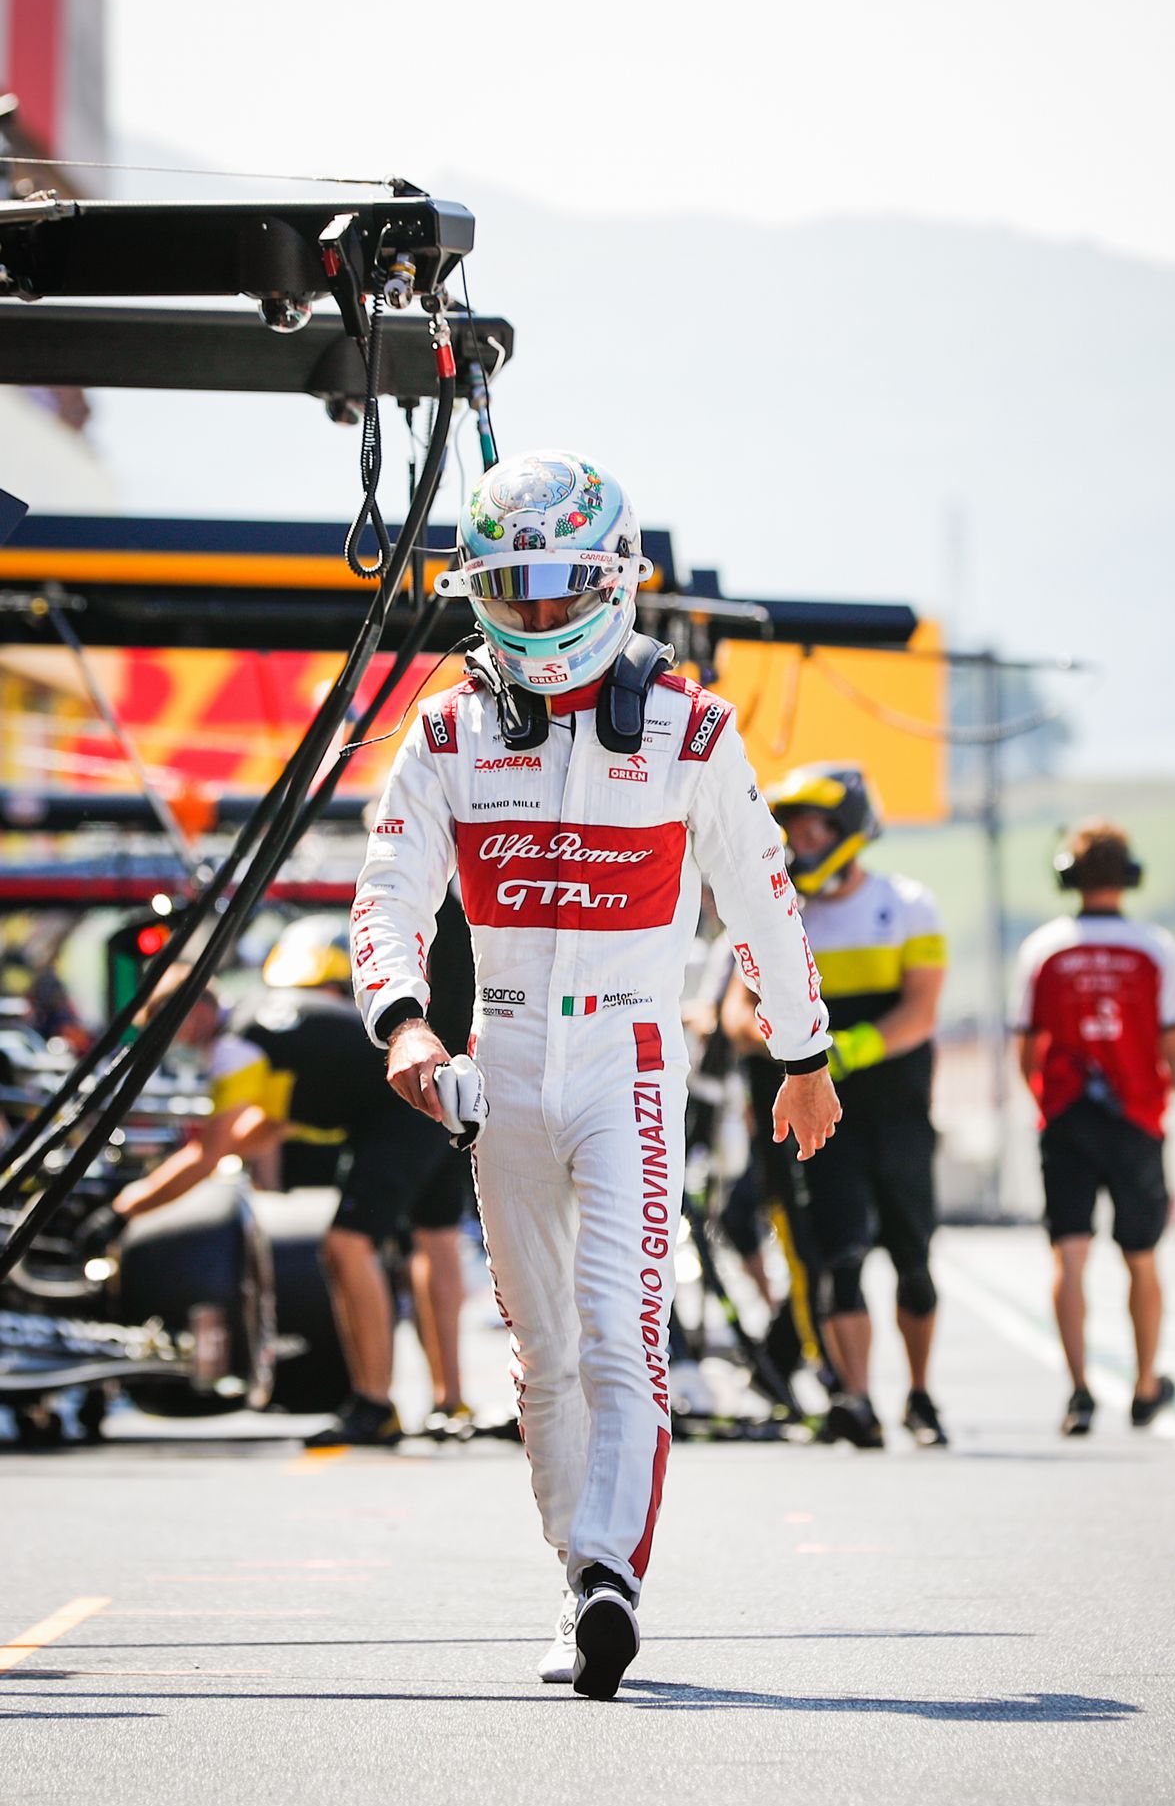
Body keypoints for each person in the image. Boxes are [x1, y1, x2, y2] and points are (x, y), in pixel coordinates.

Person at [351, 448, 839, 1700]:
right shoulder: (447, 728)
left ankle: (611, 1575)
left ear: (615, 579)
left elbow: (763, 899)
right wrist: (403, 1024)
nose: (539, 611)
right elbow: (389, 894)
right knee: (542, 1352)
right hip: (501, 1057)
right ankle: (580, 1574)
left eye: (563, 584)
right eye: (511, 589)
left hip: (631, 1052)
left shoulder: (693, 726)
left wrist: (804, 1051)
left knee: (624, 1331)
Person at [108, 916, 474, 1445]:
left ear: (196, 1012)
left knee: (346, 1246)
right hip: (423, 1101)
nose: (172, 1043)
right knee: (434, 1241)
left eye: (170, 1028)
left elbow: (206, 1155)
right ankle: (450, 1404)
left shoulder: (236, 1046)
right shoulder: (262, 1016)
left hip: (398, 1115)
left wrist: (125, 1209)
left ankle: (374, 1404)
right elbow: (265, 1127)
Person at [721, 762, 949, 1450]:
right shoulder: (778, 912)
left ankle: (920, 1397)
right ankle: (858, 1399)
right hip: (821, 1124)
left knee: (913, 1264)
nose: (801, 841)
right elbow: (737, 1012)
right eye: (791, 828)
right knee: (839, 1259)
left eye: (816, 828)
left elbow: (921, 1012)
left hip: (898, 1115)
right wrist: (789, 1051)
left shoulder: (908, 905)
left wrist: (840, 1051)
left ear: (849, 829)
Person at [1008, 818, 1175, 1437]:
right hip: (1137, 1122)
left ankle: (1078, 1392)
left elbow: (1027, 1052)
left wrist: (1050, 1103)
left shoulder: (1043, 950)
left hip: (1068, 1119)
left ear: (1067, 876)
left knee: (1069, 1257)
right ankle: (1145, 1385)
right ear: (1130, 877)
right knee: (1142, 1259)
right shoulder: (1156, 949)